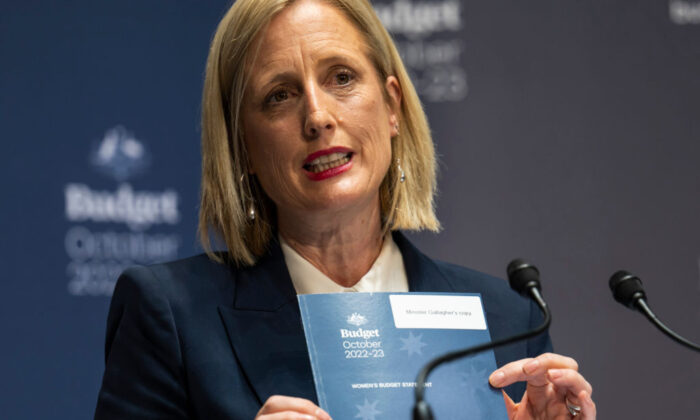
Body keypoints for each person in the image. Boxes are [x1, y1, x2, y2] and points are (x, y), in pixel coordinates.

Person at [94, 0, 596, 419]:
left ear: (392, 105)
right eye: (279, 95)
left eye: (341, 78)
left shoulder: (508, 317)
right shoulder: (173, 316)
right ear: (243, 147)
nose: (317, 116)